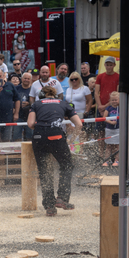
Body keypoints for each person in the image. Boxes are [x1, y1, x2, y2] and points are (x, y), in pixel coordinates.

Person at [27, 86, 82, 216]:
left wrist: (42, 126)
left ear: (41, 95)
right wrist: (70, 140)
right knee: (66, 165)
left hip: (39, 137)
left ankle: (49, 206)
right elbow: (79, 124)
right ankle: (62, 198)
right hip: (56, 137)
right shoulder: (64, 104)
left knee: (45, 171)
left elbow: (30, 124)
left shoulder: (36, 104)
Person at [14, 72, 34, 141]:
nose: (26, 80)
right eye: (25, 78)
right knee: (16, 136)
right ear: (22, 79)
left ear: (31, 80)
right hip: (18, 115)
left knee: (30, 136)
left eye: (28, 79)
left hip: (29, 116)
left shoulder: (33, 89)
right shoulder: (16, 88)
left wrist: (29, 103)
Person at [103, 91, 121, 166]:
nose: (114, 101)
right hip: (109, 129)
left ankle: (117, 160)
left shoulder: (121, 108)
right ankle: (107, 160)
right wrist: (111, 122)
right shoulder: (108, 108)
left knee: (117, 145)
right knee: (108, 145)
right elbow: (104, 118)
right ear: (110, 101)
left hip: (118, 129)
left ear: (119, 100)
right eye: (112, 100)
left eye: (116, 100)